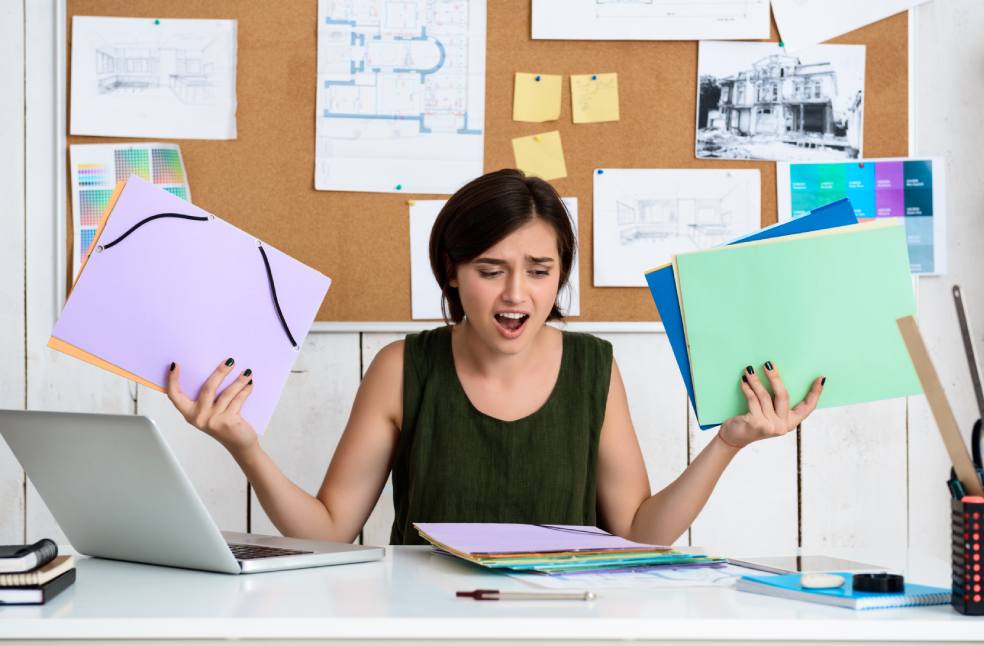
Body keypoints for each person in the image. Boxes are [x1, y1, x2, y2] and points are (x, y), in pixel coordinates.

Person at [165, 169, 824, 546]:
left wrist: (729, 442)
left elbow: (639, 534)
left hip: (558, 628)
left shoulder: (595, 368)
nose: (516, 293)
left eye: (540, 270)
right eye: (490, 269)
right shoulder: (402, 368)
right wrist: (244, 446)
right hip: (421, 629)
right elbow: (331, 530)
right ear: (451, 272)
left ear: (560, 275)